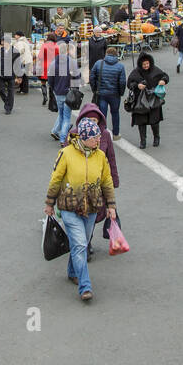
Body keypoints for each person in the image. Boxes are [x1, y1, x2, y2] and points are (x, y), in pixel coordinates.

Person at [45, 117, 118, 303]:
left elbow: (106, 181)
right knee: (79, 245)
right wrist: (49, 203)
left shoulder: (100, 156)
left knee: (81, 244)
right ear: (84, 138)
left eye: (99, 137)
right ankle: (85, 286)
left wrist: (111, 206)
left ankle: (71, 271)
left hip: (92, 207)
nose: (98, 141)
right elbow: (55, 179)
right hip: (70, 207)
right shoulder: (66, 153)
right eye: (94, 138)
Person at [75, 101, 119, 261]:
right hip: (78, 185)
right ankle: (83, 245)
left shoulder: (105, 135)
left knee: (93, 215)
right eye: (90, 120)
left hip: (98, 185)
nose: (92, 124)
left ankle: (87, 241)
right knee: (80, 214)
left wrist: (113, 180)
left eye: (95, 121)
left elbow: (111, 159)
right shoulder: (74, 134)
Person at [127, 52, 169, 149]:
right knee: (141, 122)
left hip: (153, 100)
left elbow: (165, 76)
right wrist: (137, 85)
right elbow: (129, 84)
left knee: (155, 121)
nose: (146, 66)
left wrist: (163, 81)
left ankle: (156, 137)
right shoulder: (136, 72)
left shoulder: (155, 70)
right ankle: (143, 141)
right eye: (144, 64)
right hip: (140, 101)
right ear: (141, 64)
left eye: (147, 64)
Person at [90, 46, 128, 136]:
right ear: (116, 55)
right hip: (115, 94)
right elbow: (122, 82)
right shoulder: (120, 66)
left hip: (101, 93)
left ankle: (103, 132)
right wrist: (121, 92)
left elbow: (92, 77)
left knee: (102, 114)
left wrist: (94, 89)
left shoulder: (99, 63)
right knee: (115, 113)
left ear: (106, 54)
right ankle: (116, 133)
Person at [48, 45, 74, 145]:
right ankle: (63, 139)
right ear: (67, 51)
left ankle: (55, 131)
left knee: (62, 114)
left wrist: (55, 88)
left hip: (58, 92)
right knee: (67, 117)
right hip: (68, 93)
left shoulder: (53, 63)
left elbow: (50, 79)